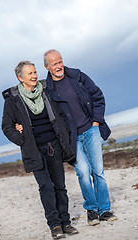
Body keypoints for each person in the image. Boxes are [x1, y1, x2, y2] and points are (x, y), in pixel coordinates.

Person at [1, 61, 78, 239]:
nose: (34, 76)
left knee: (60, 186)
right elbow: (7, 126)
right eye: (30, 73)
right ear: (20, 78)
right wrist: (23, 140)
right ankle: (55, 225)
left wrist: (65, 133)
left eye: (35, 72)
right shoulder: (13, 100)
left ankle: (66, 222)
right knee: (46, 186)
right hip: (34, 150)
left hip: (54, 145)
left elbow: (59, 114)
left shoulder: (46, 91)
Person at [43, 49, 117, 226]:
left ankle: (104, 210)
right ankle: (91, 210)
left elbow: (98, 96)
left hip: (91, 130)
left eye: (60, 61)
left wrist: (96, 121)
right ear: (47, 67)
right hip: (71, 139)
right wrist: (18, 124)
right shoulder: (47, 90)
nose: (59, 66)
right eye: (55, 64)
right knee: (83, 173)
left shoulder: (77, 76)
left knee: (98, 172)